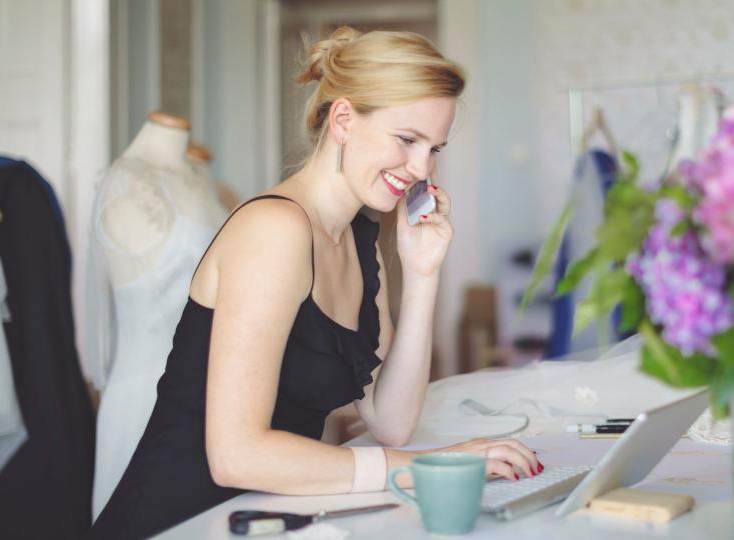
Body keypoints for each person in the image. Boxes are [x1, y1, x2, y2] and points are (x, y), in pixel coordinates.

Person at [89, 26, 542, 539]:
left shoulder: (359, 238)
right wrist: (424, 466)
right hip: (179, 522)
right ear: (344, 119)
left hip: (265, 517)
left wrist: (422, 275)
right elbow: (235, 454)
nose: (421, 168)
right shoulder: (274, 230)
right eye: (407, 139)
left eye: (434, 147)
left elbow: (390, 421)